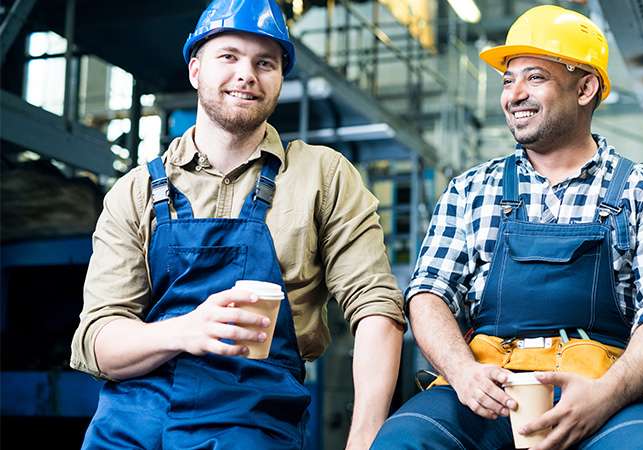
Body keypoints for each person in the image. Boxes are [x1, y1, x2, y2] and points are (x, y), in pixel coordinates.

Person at [70, 0, 405, 448]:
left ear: (280, 79)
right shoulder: (135, 192)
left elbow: (376, 306)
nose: (247, 74)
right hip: (134, 421)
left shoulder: (321, 176)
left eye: (264, 62)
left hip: (252, 421)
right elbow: (99, 341)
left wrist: (364, 436)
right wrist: (188, 329)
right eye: (228, 56)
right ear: (195, 70)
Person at [372, 5, 643, 450]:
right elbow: (429, 292)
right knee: (403, 440)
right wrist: (463, 373)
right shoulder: (471, 189)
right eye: (508, 80)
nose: (513, 94)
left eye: (535, 77)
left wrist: (605, 396)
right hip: (487, 390)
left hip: (603, 388)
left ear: (585, 88)